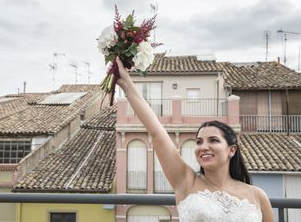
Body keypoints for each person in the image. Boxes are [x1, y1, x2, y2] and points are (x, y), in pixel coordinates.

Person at [115, 57, 274, 222]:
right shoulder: (186, 181)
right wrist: (126, 83)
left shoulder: (257, 196)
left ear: (231, 150)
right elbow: (156, 132)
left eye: (213, 140)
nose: (203, 147)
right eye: (199, 142)